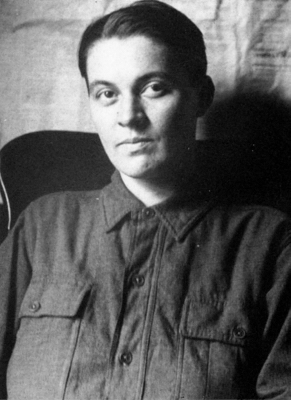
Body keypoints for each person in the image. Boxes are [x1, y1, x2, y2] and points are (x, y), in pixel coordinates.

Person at [0, 1, 291, 399]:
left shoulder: (269, 244)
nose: (128, 116)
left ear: (200, 96)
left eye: (154, 87)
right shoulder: (41, 226)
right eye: (106, 93)